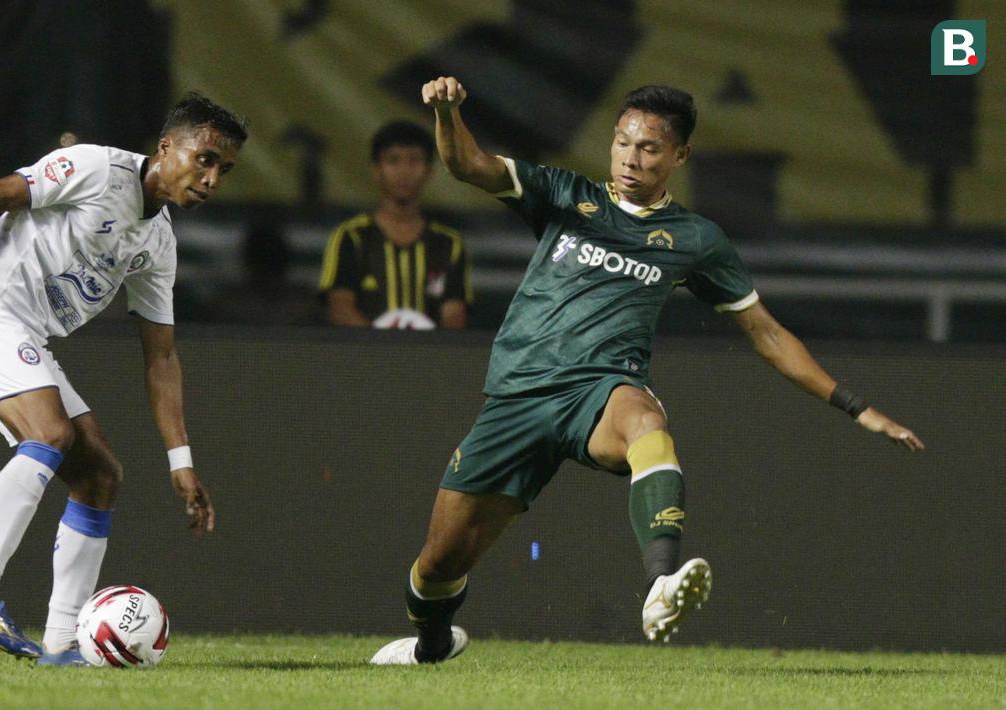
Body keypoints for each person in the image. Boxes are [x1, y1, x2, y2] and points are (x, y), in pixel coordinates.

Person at [370, 77, 925, 665]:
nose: (632, 158)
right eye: (623, 143)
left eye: (650, 148)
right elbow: (466, 165)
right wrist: (449, 113)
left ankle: (661, 581)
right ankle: (432, 642)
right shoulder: (563, 194)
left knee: (645, 420)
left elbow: (765, 332)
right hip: (517, 398)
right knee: (439, 565)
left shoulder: (695, 240)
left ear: (679, 156)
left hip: (598, 392)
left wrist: (856, 406)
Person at [0, 93, 246, 666]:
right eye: (204, 159)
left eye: (223, 169)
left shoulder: (158, 244)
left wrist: (181, 461)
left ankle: (62, 644)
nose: (212, 178)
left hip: (23, 333)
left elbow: (162, 358)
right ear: (167, 146)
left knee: (99, 474)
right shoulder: (99, 168)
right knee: (49, 434)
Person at [319, 120, 473, 330]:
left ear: (429, 171)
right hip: (364, 359)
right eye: (393, 160)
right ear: (376, 170)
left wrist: (424, 353)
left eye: (414, 160)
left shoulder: (448, 244)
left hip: (430, 361)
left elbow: (454, 316)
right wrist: (388, 351)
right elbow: (339, 309)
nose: (404, 171)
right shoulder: (351, 237)